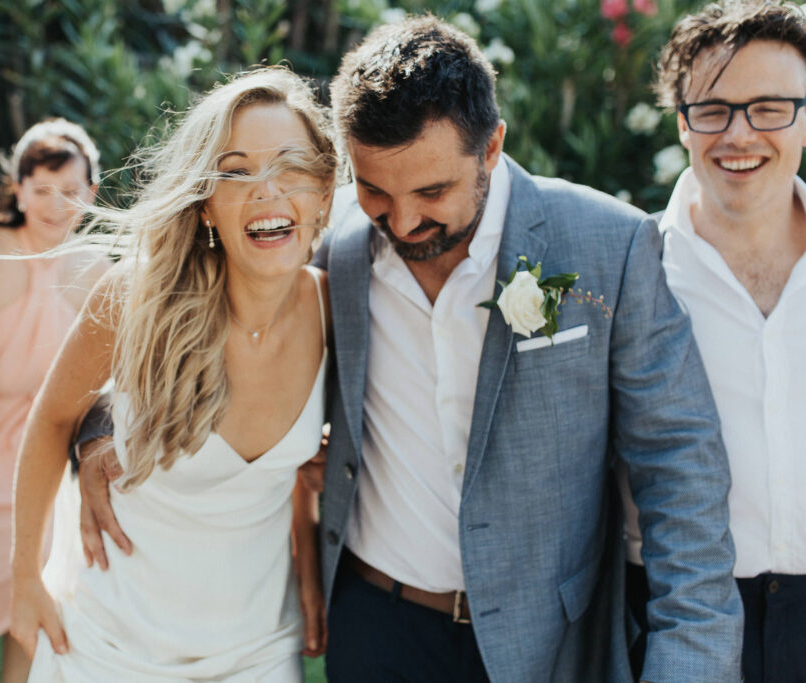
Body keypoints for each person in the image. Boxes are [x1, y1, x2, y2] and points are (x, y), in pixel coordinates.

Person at [79, 15, 744, 682]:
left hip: (544, 636)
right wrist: (98, 429)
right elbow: (184, 307)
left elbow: (678, 463)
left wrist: (691, 660)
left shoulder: (611, 245)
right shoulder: (325, 240)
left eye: (432, 191)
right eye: (375, 191)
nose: (402, 221)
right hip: (377, 624)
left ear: (491, 147)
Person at [9, 67, 335, 681]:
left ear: (323, 189)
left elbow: (294, 470)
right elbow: (52, 419)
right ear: (206, 203)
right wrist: (25, 577)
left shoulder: (332, 311)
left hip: (259, 649)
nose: (267, 191)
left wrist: (310, 573)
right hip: (113, 644)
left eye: (290, 166)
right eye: (236, 172)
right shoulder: (135, 298)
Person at [623, 2, 806, 681]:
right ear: (682, 123)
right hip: (674, 621)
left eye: (768, 108)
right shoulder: (630, 270)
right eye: (714, 109)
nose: (739, 133)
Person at [0, 118, 106, 681]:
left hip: (41, 474)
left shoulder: (96, 270)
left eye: (70, 190)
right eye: (41, 189)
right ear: (18, 189)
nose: (56, 204)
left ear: (92, 191)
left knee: (37, 620)